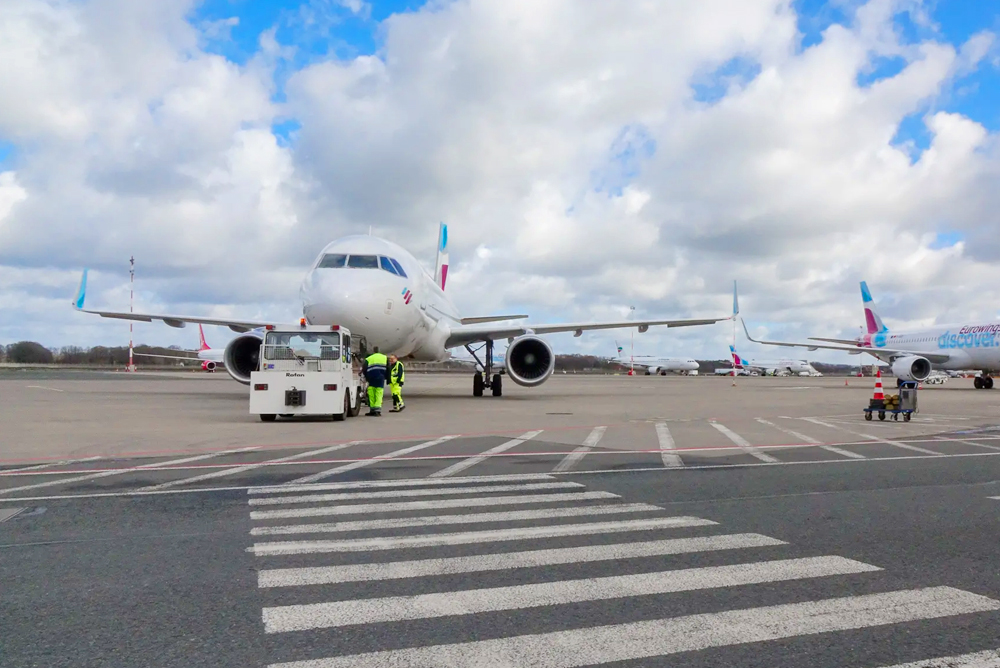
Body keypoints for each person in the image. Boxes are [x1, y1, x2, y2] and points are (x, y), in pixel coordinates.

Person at [361, 346, 388, 416]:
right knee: (378, 393)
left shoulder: (369, 358)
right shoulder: (384, 358)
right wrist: (386, 377)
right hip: (380, 378)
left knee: (371, 394)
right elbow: (388, 368)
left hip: (371, 378)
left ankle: (372, 410)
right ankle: (377, 410)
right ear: (380, 350)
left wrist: (366, 377)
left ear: (373, 351)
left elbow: (364, 369)